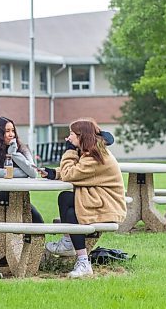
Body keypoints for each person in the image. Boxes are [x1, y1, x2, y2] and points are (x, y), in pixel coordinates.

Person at [42, 117, 126, 278]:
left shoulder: (95, 157)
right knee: (66, 198)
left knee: (73, 213)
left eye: (72, 134)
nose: (68, 138)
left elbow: (70, 174)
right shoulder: (93, 151)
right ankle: (69, 242)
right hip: (99, 200)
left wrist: (69, 151)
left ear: (82, 136)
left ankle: (82, 261)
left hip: (107, 206)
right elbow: (78, 172)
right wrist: (54, 173)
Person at [0, 116, 44, 223]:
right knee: (10, 218)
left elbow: (33, 172)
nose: (11, 134)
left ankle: (27, 240)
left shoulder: (22, 148)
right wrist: (21, 173)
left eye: (13, 131)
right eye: (7, 131)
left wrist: (13, 154)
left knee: (37, 220)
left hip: (18, 199)